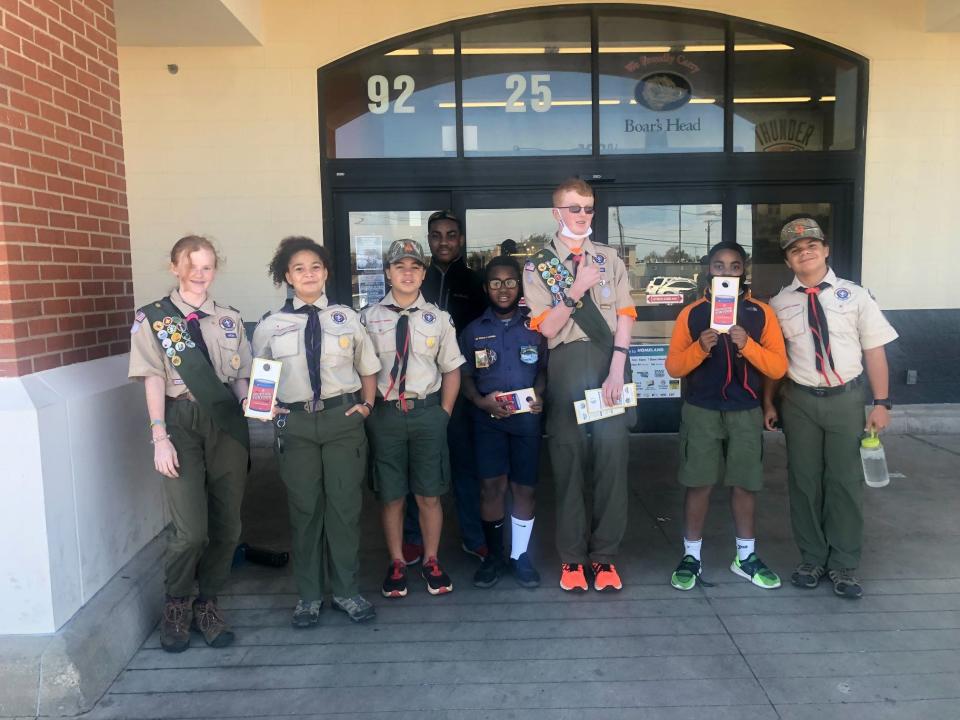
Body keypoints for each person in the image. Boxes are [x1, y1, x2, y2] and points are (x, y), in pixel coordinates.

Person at [763, 218, 898, 599]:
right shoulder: (780, 303)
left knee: (844, 482)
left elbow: (874, 350)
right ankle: (812, 558)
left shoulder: (855, 296)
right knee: (804, 482)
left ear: (825, 250)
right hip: (800, 399)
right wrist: (769, 401)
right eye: (794, 249)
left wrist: (882, 402)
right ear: (788, 261)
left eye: (810, 245)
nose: (804, 252)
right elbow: (778, 359)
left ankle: (843, 565)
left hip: (845, 399)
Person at [128, 235, 251, 653]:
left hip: (226, 423)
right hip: (179, 420)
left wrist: (252, 402)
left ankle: (207, 602)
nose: (201, 274)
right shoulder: (154, 320)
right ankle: (177, 602)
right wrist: (159, 436)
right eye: (193, 266)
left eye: (208, 266)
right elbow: (153, 378)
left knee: (228, 526)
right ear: (175, 268)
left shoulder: (230, 319)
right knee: (190, 532)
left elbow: (239, 377)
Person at [251, 236, 379, 628]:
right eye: (299, 268)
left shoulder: (347, 317)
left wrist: (367, 406)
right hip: (297, 424)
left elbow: (367, 367)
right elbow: (262, 375)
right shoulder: (271, 325)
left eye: (316, 267)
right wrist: (264, 409)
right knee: (305, 510)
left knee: (344, 509)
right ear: (287, 276)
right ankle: (308, 596)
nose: (309, 274)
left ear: (325, 272)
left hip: (342, 420)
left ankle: (345, 591)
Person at [522, 178, 637, 593]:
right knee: (568, 463)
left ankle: (604, 558)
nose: (582, 215)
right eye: (574, 208)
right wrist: (575, 289)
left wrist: (617, 368)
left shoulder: (609, 257)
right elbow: (548, 329)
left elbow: (625, 314)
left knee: (610, 460)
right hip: (567, 363)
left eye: (588, 208)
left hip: (609, 361)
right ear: (557, 213)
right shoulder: (539, 265)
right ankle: (572, 559)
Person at [664, 242, 787, 591]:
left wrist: (747, 345)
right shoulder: (693, 314)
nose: (727, 272)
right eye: (719, 265)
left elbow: (778, 366)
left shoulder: (760, 313)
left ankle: (745, 556)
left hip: (744, 410)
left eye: (734, 266)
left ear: (743, 270)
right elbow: (673, 366)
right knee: (698, 483)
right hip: (701, 409)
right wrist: (700, 349)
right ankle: (692, 556)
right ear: (708, 270)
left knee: (745, 484)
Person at [362, 239, 465, 597]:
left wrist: (444, 414)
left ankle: (431, 559)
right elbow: (361, 370)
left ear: (423, 273)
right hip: (386, 415)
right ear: (388, 273)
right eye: (399, 266)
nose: (407, 273)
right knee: (391, 496)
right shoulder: (367, 318)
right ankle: (396, 561)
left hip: (426, 414)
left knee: (429, 494)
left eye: (415, 267)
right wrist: (368, 410)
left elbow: (452, 369)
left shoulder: (438, 319)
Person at [401, 211, 488, 566]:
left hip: (461, 388)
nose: (444, 241)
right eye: (436, 235)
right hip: (419, 390)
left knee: (465, 467)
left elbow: (485, 333)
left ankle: (473, 536)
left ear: (461, 240)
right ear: (429, 240)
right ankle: (412, 537)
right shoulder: (413, 282)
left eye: (451, 235)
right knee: (415, 466)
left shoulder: (475, 282)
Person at [460, 256, 547, 589]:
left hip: (526, 421)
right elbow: (465, 375)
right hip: (488, 420)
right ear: (486, 288)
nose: (503, 289)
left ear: (520, 287)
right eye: (495, 282)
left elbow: (543, 370)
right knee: (490, 488)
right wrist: (480, 402)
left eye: (510, 281)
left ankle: (520, 556)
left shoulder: (536, 327)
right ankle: (494, 557)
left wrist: (539, 394)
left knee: (524, 488)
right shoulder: (473, 331)